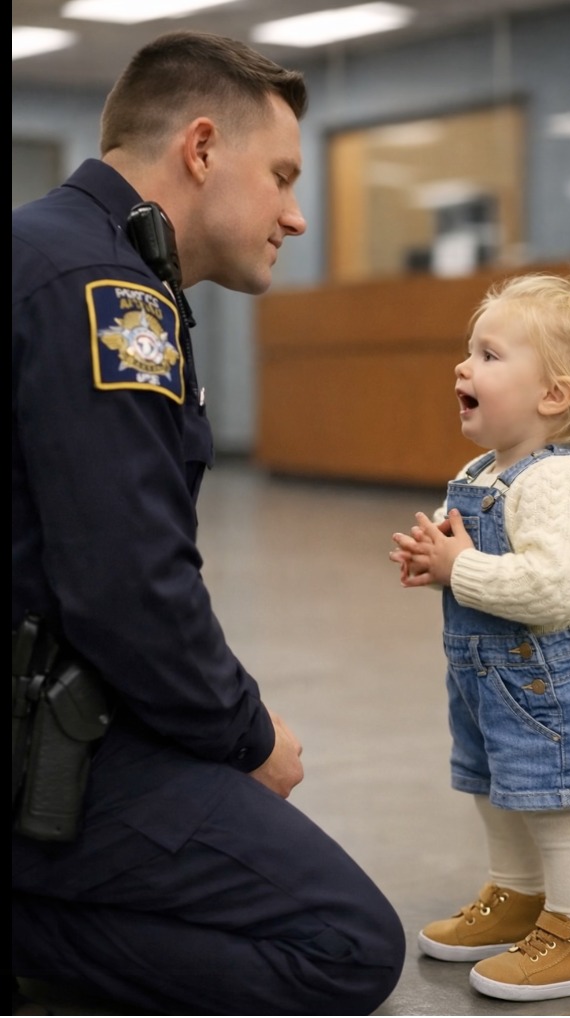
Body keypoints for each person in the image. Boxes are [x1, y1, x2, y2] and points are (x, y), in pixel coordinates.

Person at [12, 30, 405, 1017]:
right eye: (279, 176)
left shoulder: (54, 253)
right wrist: (244, 733)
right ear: (199, 148)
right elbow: (127, 586)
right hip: (37, 737)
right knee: (345, 945)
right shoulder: (107, 296)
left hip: (50, 693)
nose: (296, 214)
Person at [389, 254, 570, 1002]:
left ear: (553, 395)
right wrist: (439, 561)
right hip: (497, 688)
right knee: (499, 794)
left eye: (487, 355)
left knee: (560, 816)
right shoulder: (488, 472)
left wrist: (462, 569)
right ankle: (519, 897)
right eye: (469, 350)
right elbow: (485, 566)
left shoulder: (562, 482)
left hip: (553, 692)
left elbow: (558, 590)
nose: (461, 365)